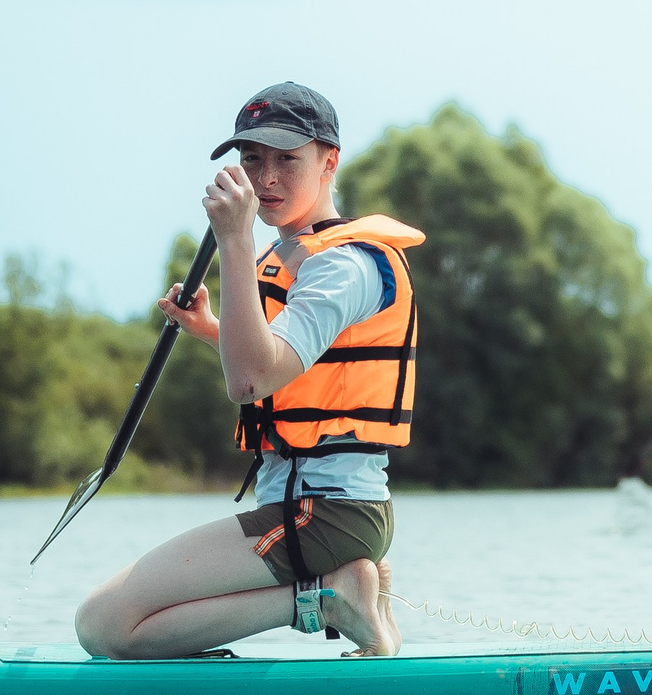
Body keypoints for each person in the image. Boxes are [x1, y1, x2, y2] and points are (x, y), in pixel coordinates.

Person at [76, 83, 417, 659]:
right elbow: (288, 365)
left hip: (325, 512)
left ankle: (328, 597)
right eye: (253, 159)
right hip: (315, 510)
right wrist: (214, 330)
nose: (267, 178)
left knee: (104, 625)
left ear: (329, 161)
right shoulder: (290, 258)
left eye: (288, 159)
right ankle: (338, 590)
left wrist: (234, 239)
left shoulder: (343, 265)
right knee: (117, 625)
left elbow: (250, 382)